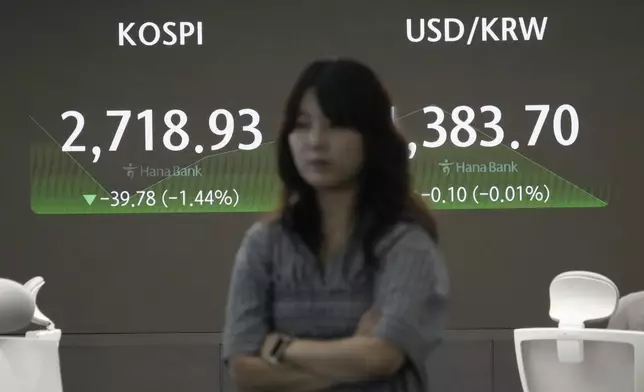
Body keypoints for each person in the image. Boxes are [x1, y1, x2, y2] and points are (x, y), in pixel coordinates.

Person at [222, 57, 449, 391]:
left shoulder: (405, 244)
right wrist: (346, 363)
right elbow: (243, 367)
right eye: (302, 124)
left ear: (371, 138)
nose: (315, 140)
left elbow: (381, 357)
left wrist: (283, 348)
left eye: (337, 124)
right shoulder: (264, 244)